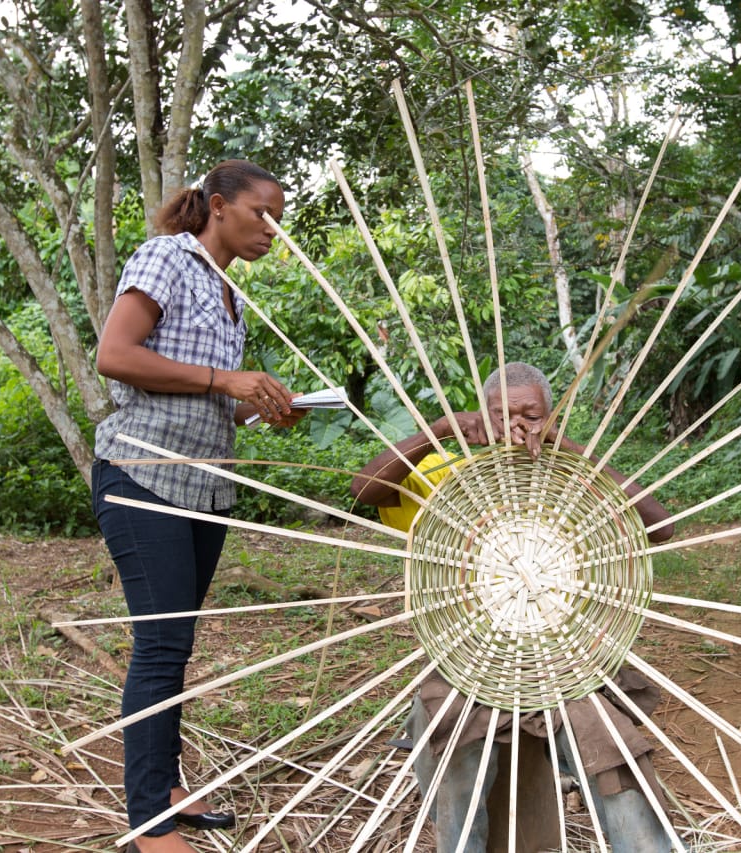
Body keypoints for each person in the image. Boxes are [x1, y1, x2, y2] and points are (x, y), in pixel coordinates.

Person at [351, 362, 680, 853]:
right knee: (446, 737)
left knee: (612, 753)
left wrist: (566, 449)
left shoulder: (573, 481)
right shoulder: (449, 473)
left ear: (551, 417)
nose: (519, 427)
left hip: (566, 662)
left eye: (533, 415)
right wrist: (441, 429)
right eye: (504, 415)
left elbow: (659, 527)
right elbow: (364, 490)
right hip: (472, 662)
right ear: (482, 416)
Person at [92, 160, 305, 853]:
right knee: (160, 644)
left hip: (202, 486)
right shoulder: (166, 258)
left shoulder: (226, 292)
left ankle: (167, 787)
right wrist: (224, 377)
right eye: (261, 214)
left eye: (279, 216)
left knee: (174, 643)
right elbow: (115, 355)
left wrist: (255, 407)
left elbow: (203, 396)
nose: (273, 229)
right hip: (142, 473)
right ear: (218, 206)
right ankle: (148, 819)